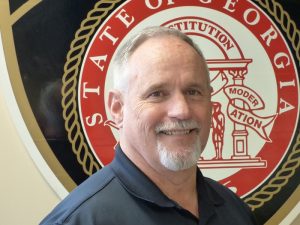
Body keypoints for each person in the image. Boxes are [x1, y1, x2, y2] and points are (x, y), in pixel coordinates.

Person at [40, 26, 257, 225]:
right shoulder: (80, 220)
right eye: (157, 94)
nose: (182, 111)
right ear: (117, 109)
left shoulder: (235, 211)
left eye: (193, 92)